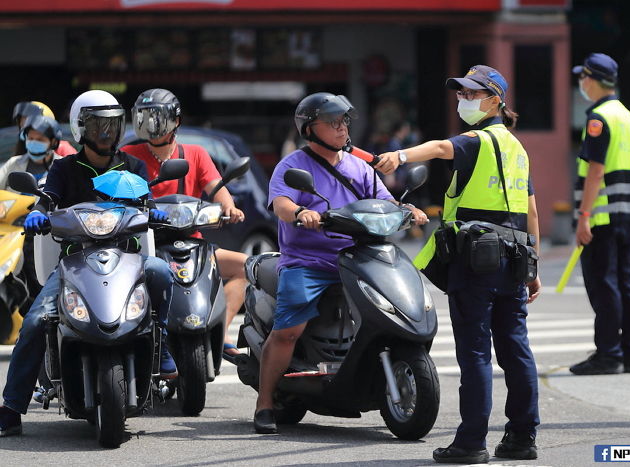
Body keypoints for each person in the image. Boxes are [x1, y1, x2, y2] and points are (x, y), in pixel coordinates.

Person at [376, 65, 541, 464]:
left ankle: (470, 443)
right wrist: (533, 268)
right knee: (516, 350)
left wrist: (399, 155)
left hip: (477, 262)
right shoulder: (517, 148)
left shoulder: (477, 139)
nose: (464, 100)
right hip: (515, 259)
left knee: (476, 354)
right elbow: (532, 210)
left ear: (495, 100)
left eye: (472, 94)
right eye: (461, 94)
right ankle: (522, 438)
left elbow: (436, 148)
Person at [0, 90, 176, 438]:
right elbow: (46, 200)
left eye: (112, 125)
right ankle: (11, 406)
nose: (106, 133)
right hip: (75, 264)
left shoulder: (133, 166)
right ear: (81, 129)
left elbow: (148, 201)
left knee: (162, 272)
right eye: (98, 126)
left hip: (130, 259)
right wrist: (37, 215)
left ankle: (163, 343)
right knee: (35, 321)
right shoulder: (64, 169)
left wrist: (155, 211)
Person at [254, 92, 428, 434]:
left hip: (360, 257)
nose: (341, 128)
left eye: (344, 121)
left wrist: (407, 210)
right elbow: (281, 204)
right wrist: (302, 213)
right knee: (289, 331)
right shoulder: (292, 166)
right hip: (308, 260)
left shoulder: (359, 167)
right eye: (332, 122)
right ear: (309, 129)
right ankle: (264, 403)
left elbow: (385, 201)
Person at [121, 88, 248, 360]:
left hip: (192, 242)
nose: (150, 124)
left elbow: (217, 188)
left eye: (157, 117)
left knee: (245, 267)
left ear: (175, 120)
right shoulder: (127, 154)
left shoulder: (196, 153)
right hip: (145, 243)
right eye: (144, 116)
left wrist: (229, 206)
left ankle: (219, 330)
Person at [568, 53, 630, 376]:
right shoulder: (626, 115)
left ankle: (608, 354)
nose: (580, 84)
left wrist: (584, 216)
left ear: (591, 79)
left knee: (604, 284)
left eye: (582, 78)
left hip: (603, 215)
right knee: (626, 280)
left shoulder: (598, 118)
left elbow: (595, 171)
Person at [0, 114, 64, 299]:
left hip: (50, 235)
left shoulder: (62, 166)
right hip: (14, 232)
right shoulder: (14, 164)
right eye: (31, 138)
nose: (34, 143)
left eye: (40, 139)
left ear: (52, 142)